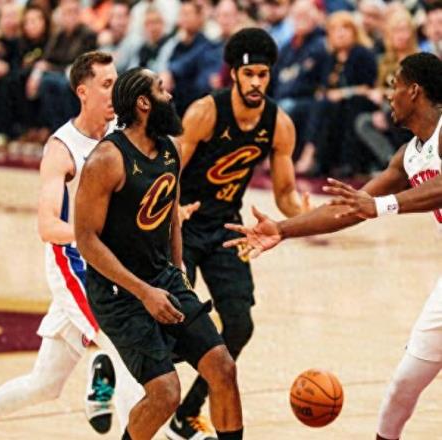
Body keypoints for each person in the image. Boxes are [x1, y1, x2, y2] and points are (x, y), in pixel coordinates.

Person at [223, 52, 442, 440]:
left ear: (414, 91)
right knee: (404, 384)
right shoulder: (409, 155)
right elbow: (350, 208)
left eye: (394, 86)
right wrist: (282, 229)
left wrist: (382, 206)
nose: (388, 95)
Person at [0, 51, 142, 440]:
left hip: (112, 262)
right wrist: (95, 234)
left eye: (117, 82)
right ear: (83, 92)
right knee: (128, 348)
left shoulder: (122, 133)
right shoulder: (62, 148)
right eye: (107, 85)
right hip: (75, 265)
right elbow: (48, 226)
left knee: (45, 383)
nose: (115, 91)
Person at [75, 66, 244, 440]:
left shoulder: (170, 149)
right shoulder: (107, 159)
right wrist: (143, 292)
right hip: (119, 293)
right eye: (161, 89)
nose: (170, 95)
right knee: (165, 393)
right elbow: (86, 240)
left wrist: (178, 271)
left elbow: (172, 218)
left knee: (223, 368)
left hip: (162, 278)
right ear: (143, 102)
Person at [166, 28, 310, 440]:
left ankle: (187, 413)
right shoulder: (204, 113)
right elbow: (167, 171)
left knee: (239, 326)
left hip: (228, 227)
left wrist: (302, 214)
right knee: (177, 322)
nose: (256, 83)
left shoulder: (279, 125)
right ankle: (131, 380)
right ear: (234, 74)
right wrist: (171, 209)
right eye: (249, 75)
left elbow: (284, 193)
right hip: (183, 225)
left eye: (262, 75)